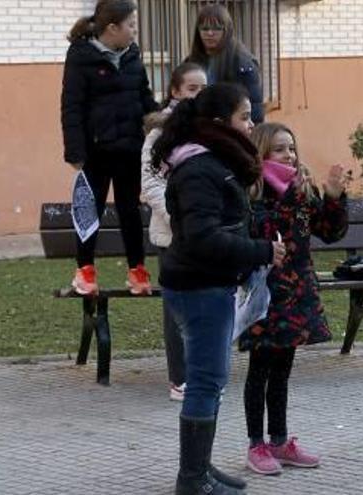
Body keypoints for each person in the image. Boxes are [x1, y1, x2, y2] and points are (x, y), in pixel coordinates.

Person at [151, 82, 285, 495]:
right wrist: (261, 251)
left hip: (208, 284)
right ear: (218, 122)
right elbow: (202, 238)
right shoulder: (200, 169)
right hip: (199, 288)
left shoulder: (211, 161)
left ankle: (201, 468)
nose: (251, 124)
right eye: (244, 116)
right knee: (206, 381)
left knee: (211, 380)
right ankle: (192, 479)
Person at [239, 123, 348, 475]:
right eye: (280, 150)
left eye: (291, 148)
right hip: (266, 294)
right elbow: (258, 234)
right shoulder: (252, 193)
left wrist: (332, 197)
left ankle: (280, 440)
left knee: (283, 370)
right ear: (261, 155)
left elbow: (329, 232)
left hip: (297, 291)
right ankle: (256, 444)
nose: (290, 156)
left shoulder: (302, 191)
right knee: (260, 370)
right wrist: (288, 197)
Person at [62, 0, 157, 296]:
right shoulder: (80, 56)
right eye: (131, 26)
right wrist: (75, 151)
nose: (134, 32)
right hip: (96, 151)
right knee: (91, 208)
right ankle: (85, 270)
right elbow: (72, 107)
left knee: (131, 210)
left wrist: (159, 122)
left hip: (130, 147)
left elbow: (144, 95)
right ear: (112, 28)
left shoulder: (132, 54)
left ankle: (137, 271)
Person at [140, 62, 206, 402]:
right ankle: (179, 377)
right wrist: (177, 215)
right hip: (172, 235)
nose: (198, 95)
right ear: (175, 91)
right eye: (192, 89)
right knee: (176, 309)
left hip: (206, 234)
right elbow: (149, 184)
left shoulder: (210, 130)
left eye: (202, 89)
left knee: (206, 303)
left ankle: (204, 373)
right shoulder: (160, 133)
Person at [186, 4, 265, 124]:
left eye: (217, 28)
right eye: (205, 28)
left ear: (226, 30)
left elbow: (255, 108)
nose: (210, 33)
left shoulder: (242, 63)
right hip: (198, 129)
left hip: (230, 131)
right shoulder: (191, 61)